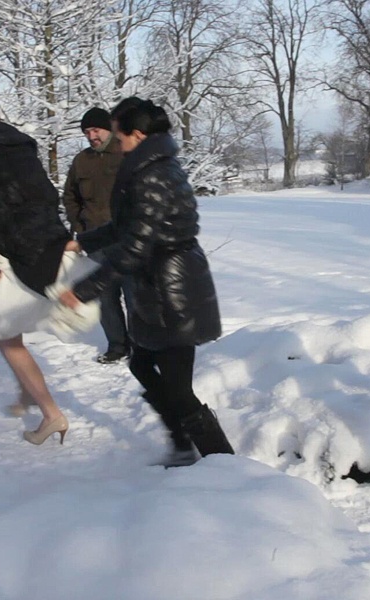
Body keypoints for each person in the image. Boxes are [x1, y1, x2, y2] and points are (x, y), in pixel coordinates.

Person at [59, 97, 234, 466]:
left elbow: (136, 245)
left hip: (172, 290)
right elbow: (128, 227)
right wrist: (84, 240)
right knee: (142, 364)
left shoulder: (152, 173)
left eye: (119, 135)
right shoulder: (148, 166)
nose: (115, 142)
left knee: (176, 384)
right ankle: (183, 443)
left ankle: (222, 462)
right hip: (159, 284)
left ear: (137, 135)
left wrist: (85, 290)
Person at [0, 96, 82, 446]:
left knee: (3, 334)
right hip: (47, 242)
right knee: (6, 331)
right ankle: (27, 393)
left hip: (17, 251)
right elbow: (43, 197)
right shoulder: (18, 147)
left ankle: (51, 414)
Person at [62, 107, 130, 364]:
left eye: (96, 130)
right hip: (95, 239)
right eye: (87, 132)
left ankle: (141, 346)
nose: (92, 136)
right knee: (106, 297)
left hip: (125, 238)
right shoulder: (81, 160)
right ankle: (117, 346)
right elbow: (70, 196)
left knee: (134, 294)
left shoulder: (125, 154)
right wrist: (79, 223)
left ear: (109, 129)